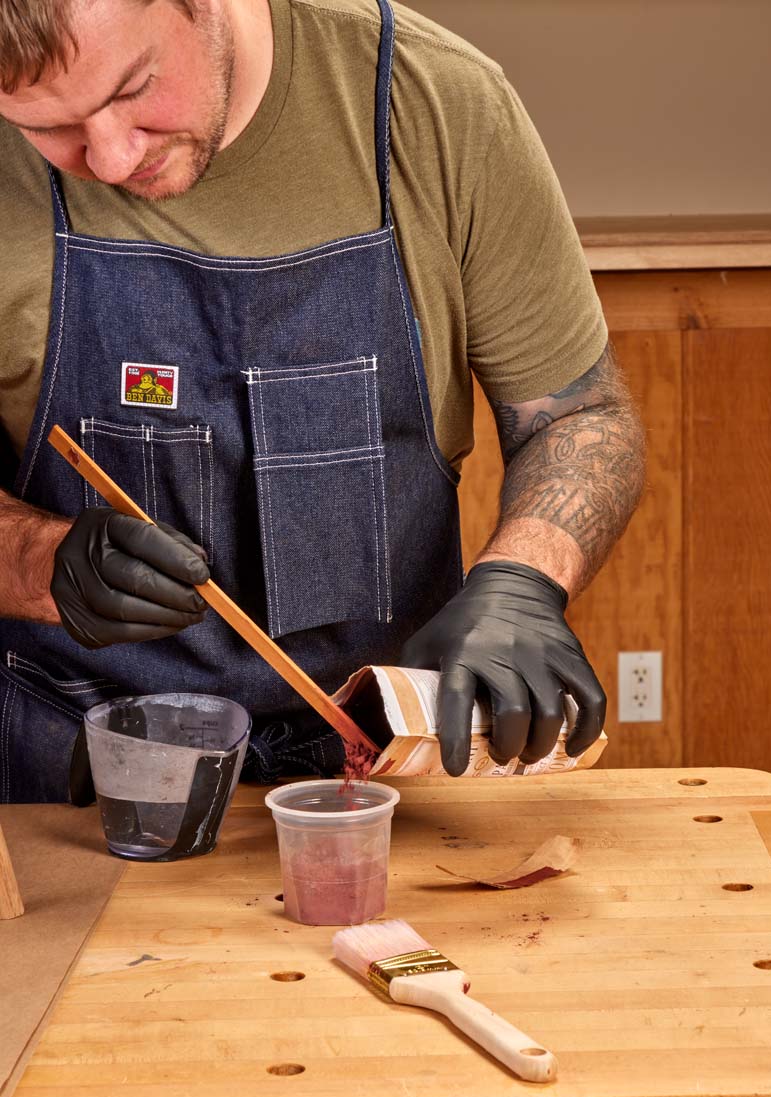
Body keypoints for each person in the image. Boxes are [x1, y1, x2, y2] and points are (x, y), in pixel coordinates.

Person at [0, 0, 645, 804]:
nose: (109, 154)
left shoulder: (436, 102)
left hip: (392, 778)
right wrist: (36, 561)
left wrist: (524, 581)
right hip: (82, 785)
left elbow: (580, 419)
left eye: (133, 89)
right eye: (47, 129)